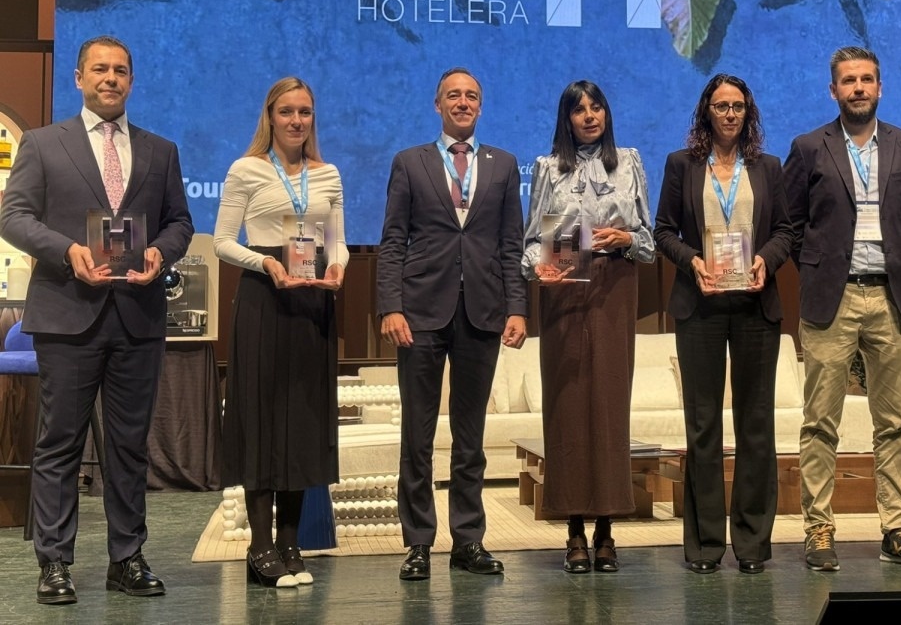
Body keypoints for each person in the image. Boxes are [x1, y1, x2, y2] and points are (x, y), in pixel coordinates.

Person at [0, 35, 193, 605]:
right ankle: (55, 563)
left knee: (130, 447)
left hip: (137, 314)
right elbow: (13, 216)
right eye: (100, 70)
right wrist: (67, 252)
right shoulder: (42, 144)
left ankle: (127, 557)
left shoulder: (161, 151)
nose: (111, 78)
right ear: (79, 78)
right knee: (59, 443)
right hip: (67, 316)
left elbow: (179, 222)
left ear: (132, 81)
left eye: (121, 71)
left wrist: (162, 251)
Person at [782, 45, 901, 572]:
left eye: (866, 80)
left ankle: (896, 530)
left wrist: (899, 264)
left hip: (891, 296)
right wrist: (818, 268)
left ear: (880, 87)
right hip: (832, 296)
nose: (857, 88)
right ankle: (819, 531)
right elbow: (792, 221)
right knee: (820, 422)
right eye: (848, 81)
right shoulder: (809, 147)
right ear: (833, 90)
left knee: (893, 423)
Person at [377, 67, 527, 581]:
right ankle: (418, 542)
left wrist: (518, 307)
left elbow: (512, 244)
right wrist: (389, 306)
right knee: (416, 437)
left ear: (480, 107)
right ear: (437, 104)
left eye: (472, 96)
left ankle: (469, 540)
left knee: (471, 437)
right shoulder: (409, 162)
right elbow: (393, 240)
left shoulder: (504, 165)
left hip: (482, 313)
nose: (463, 103)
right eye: (453, 96)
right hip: (419, 313)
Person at [653, 73, 793, 575]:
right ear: (706, 112)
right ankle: (705, 546)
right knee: (703, 428)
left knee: (756, 427)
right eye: (720, 106)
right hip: (701, 304)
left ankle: (753, 544)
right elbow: (663, 230)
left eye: (737, 106)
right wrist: (691, 261)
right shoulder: (682, 165)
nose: (729, 114)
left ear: (747, 112)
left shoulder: (769, 167)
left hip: (756, 305)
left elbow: (785, 231)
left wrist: (767, 261)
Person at [213, 77, 348, 588]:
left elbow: (334, 241)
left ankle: (291, 543)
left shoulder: (329, 173)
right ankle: (260, 547)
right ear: (270, 116)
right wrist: (266, 265)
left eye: (305, 112)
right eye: (287, 111)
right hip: (264, 299)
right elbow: (224, 241)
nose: (296, 121)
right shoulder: (245, 169)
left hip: (312, 299)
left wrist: (337, 270)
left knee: (303, 423)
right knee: (263, 419)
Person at [522, 81, 655, 574]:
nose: (589, 115)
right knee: (568, 406)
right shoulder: (546, 168)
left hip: (615, 285)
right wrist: (538, 266)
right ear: (567, 118)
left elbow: (648, 239)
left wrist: (626, 235)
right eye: (578, 110)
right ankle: (574, 531)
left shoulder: (631, 161)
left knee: (608, 405)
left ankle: (606, 531)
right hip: (563, 288)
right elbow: (532, 241)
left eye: (596, 106)